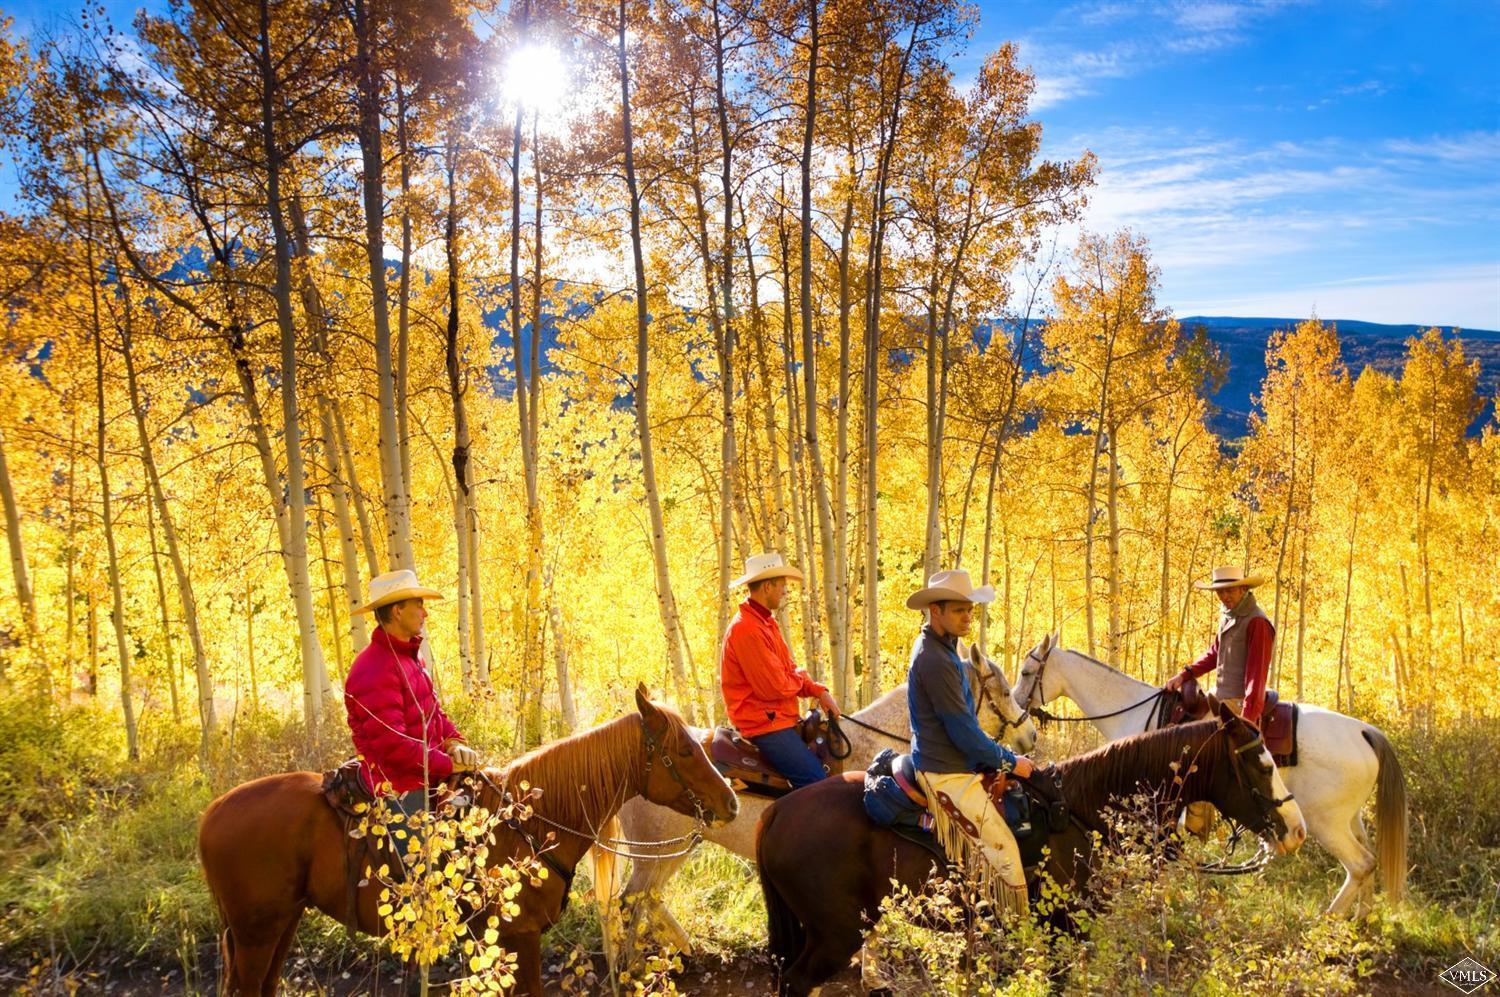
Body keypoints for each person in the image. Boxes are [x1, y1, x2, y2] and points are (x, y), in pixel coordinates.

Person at [905, 568, 1033, 918]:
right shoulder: (935, 659)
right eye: (959, 610)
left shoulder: (943, 648)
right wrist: (1009, 760)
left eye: (970, 610)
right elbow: (964, 733)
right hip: (945, 770)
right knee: (1003, 846)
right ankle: (1012, 932)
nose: (967, 617)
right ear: (936, 611)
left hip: (952, 758)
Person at [344, 569, 479, 851]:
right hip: (398, 786)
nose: (424, 613)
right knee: (421, 874)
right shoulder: (373, 670)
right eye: (418, 605)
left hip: (428, 775)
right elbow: (394, 746)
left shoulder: (410, 656)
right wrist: (448, 764)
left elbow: (434, 713)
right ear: (397, 611)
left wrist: (454, 743)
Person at [720, 552, 841, 789]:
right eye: (782, 585)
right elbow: (775, 686)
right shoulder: (747, 629)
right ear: (767, 586)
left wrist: (817, 691)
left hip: (778, 719)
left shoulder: (765, 622)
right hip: (764, 725)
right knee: (818, 784)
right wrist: (807, 687)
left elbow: (788, 669)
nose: (785, 591)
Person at [1165, 565, 1274, 727]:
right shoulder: (1227, 615)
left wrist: (1247, 720)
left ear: (1242, 588)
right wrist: (1184, 675)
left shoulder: (1257, 622)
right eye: (1219, 592)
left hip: (1239, 702)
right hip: (1220, 696)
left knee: (1196, 742)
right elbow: (1215, 652)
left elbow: (1256, 678)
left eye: (1229, 590)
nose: (1224, 596)